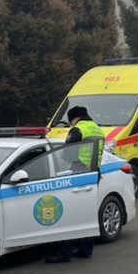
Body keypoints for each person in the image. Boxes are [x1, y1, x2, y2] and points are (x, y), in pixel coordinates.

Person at [46, 106, 105, 264]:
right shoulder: (98, 129)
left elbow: (68, 152)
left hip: (78, 172)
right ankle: (86, 250)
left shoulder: (78, 130)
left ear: (75, 118)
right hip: (93, 173)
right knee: (86, 213)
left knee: (69, 214)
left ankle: (64, 253)